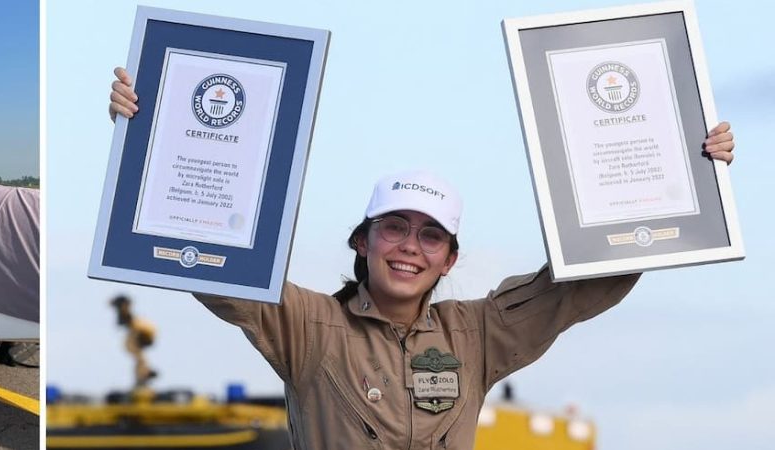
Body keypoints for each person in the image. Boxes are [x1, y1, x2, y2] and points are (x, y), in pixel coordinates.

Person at [107, 67, 735, 448]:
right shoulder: (306, 327)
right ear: (364, 240)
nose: (409, 245)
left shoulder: (481, 332)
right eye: (395, 227)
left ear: (449, 259)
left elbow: (586, 277)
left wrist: (684, 169)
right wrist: (151, 136)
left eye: (430, 236)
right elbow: (211, 269)